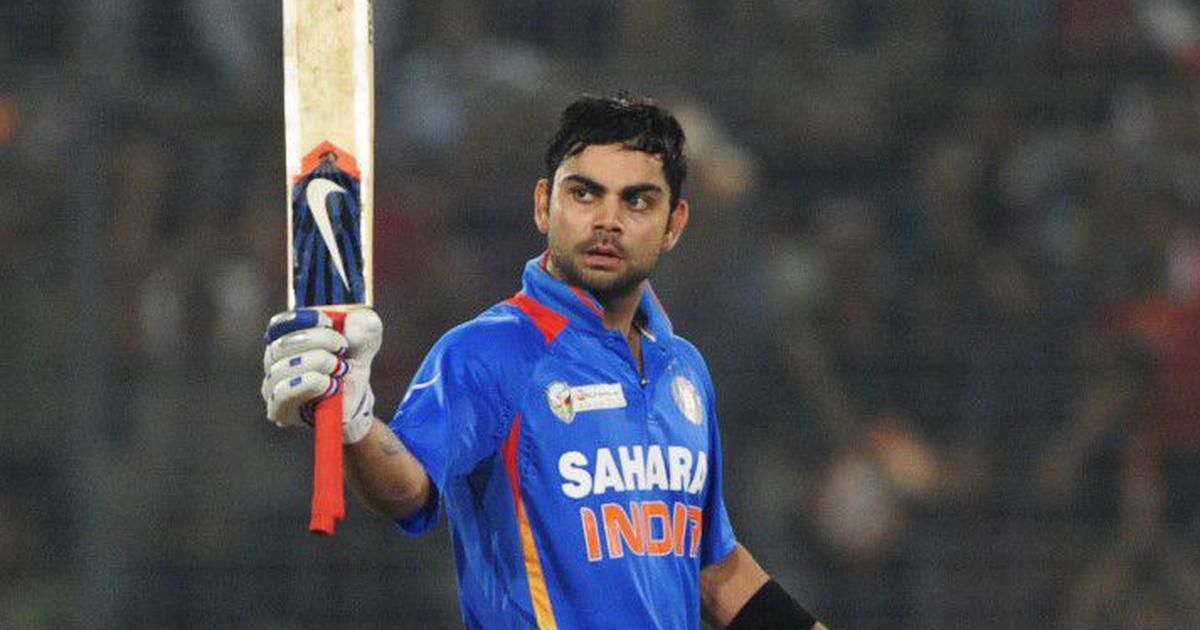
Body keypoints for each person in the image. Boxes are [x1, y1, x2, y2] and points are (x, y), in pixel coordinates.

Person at [261, 94, 825, 629]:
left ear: (674, 223)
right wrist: (356, 425)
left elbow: (715, 571)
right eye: (585, 194)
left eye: (636, 200)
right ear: (542, 205)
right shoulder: (490, 351)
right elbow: (407, 489)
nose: (608, 220)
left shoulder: (684, 369)